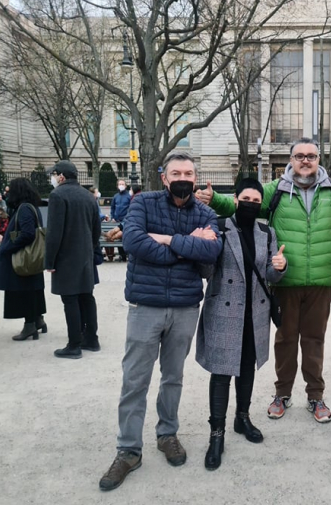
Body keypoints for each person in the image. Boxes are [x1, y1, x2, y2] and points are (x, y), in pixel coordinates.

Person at [196, 138, 331, 423]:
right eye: (300, 156)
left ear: (319, 159)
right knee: (285, 340)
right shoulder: (276, 189)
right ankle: (282, 393)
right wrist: (215, 200)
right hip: (286, 279)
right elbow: (246, 202)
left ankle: (315, 396)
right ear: (291, 159)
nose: (306, 160)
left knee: (314, 341)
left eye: (311, 155)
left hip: (322, 281)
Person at [98, 152, 222, 492]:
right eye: (176, 173)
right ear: (164, 177)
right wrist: (188, 246)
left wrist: (166, 239)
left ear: (195, 178)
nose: (183, 178)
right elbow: (134, 242)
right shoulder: (143, 203)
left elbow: (213, 252)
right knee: (134, 380)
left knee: (173, 377)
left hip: (185, 307)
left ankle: (167, 434)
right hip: (146, 306)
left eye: (188, 173)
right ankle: (128, 450)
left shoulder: (206, 213)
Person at [196, 178, 287, 471]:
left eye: (256, 200)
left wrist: (280, 267)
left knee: (247, 366)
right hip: (224, 310)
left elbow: (270, 273)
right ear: (236, 199)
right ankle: (217, 433)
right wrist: (203, 246)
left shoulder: (266, 232)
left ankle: (242, 417)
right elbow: (205, 270)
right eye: (246, 199)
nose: (251, 204)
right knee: (222, 371)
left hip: (255, 311)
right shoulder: (219, 227)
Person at [45, 161, 102, 358]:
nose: (53, 178)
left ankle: (74, 344)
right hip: (85, 254)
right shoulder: (88, 195)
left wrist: (49, 261)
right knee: (86, 297)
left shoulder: (57, 195)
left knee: (70, 300)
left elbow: (54, 233)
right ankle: (91, 338)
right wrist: (90, 249)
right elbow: (96, 229)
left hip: (66, 256)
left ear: (61, 176)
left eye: (54, 174)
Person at [0, 178, 47, 341]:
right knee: (33, 289)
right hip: (31, 256)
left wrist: (7, 247)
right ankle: (37, 319)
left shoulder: (23, 209)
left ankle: (30, 325)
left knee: (24, 291)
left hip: (22, 257)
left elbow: (27, 234)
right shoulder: (32, 207)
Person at [109, 178, 131, 261]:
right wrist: (113, 217)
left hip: (125, 220)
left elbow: (130, 208)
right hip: (117, 220)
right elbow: (112, 208)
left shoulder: (128, 196)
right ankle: (122, 255)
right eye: (120, 184)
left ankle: (126, 254)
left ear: (125, 186)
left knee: (124, 237)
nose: (121, 186)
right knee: (118, 238)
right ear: (117, 186)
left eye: (123, 184)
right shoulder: (116, 196)